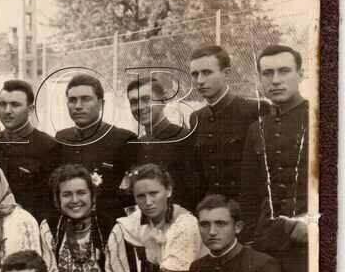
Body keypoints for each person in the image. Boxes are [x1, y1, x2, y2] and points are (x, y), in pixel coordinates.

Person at [239, 44, 310, 272]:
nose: (276, 80)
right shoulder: (257, 129)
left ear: (301, 74)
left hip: (309, 246)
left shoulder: (322, 118)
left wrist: (311, 225)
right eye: (268, 73)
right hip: (267, 245)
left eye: (284, 71)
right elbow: (250, 194)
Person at [189, 45, 270, 202]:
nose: (200, 81)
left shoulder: (255, 110)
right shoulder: (196, 118)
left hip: (247, 206)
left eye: (207, 72)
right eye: (195, 74)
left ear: (226, 73)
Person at [53, 74, 135, 221]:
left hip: (110, 224)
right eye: (72, 100)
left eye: (86, 99)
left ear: (101, 103)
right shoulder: (61, 138)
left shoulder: (123, 139)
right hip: (68, 223)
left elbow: (131, 195)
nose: (78, 106)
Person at [39, 164, 116, 272]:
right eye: (67, 194)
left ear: (92, 196)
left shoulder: (109, 226)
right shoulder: (49, 227)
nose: (75, 200)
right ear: (58, 199)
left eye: (81, 193)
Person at [0, 79, 58, 220]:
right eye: (3, 104)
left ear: (30, 110)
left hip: (31, 225)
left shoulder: (48, 146)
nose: (7, 111)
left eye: (15, 105)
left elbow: (51, 201)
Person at [124, 74, 197, 209]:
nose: (139, 107)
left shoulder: (184, 138)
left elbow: (195, 192)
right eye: (133, 102)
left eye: (146, 99)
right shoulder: (137, 144)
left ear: (163, 101)